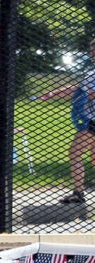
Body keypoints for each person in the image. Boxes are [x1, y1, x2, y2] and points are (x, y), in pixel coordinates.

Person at [40, 39, 95, 204]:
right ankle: (78, 192)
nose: (93, 55)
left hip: (91, 122)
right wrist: (53, 93)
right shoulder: (92, 73)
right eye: (92, 51)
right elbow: (78, 88)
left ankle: (78, 193)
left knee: (75, 152)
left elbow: (87, 91)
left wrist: (90, 94)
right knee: (94, 157)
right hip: (91, 120)